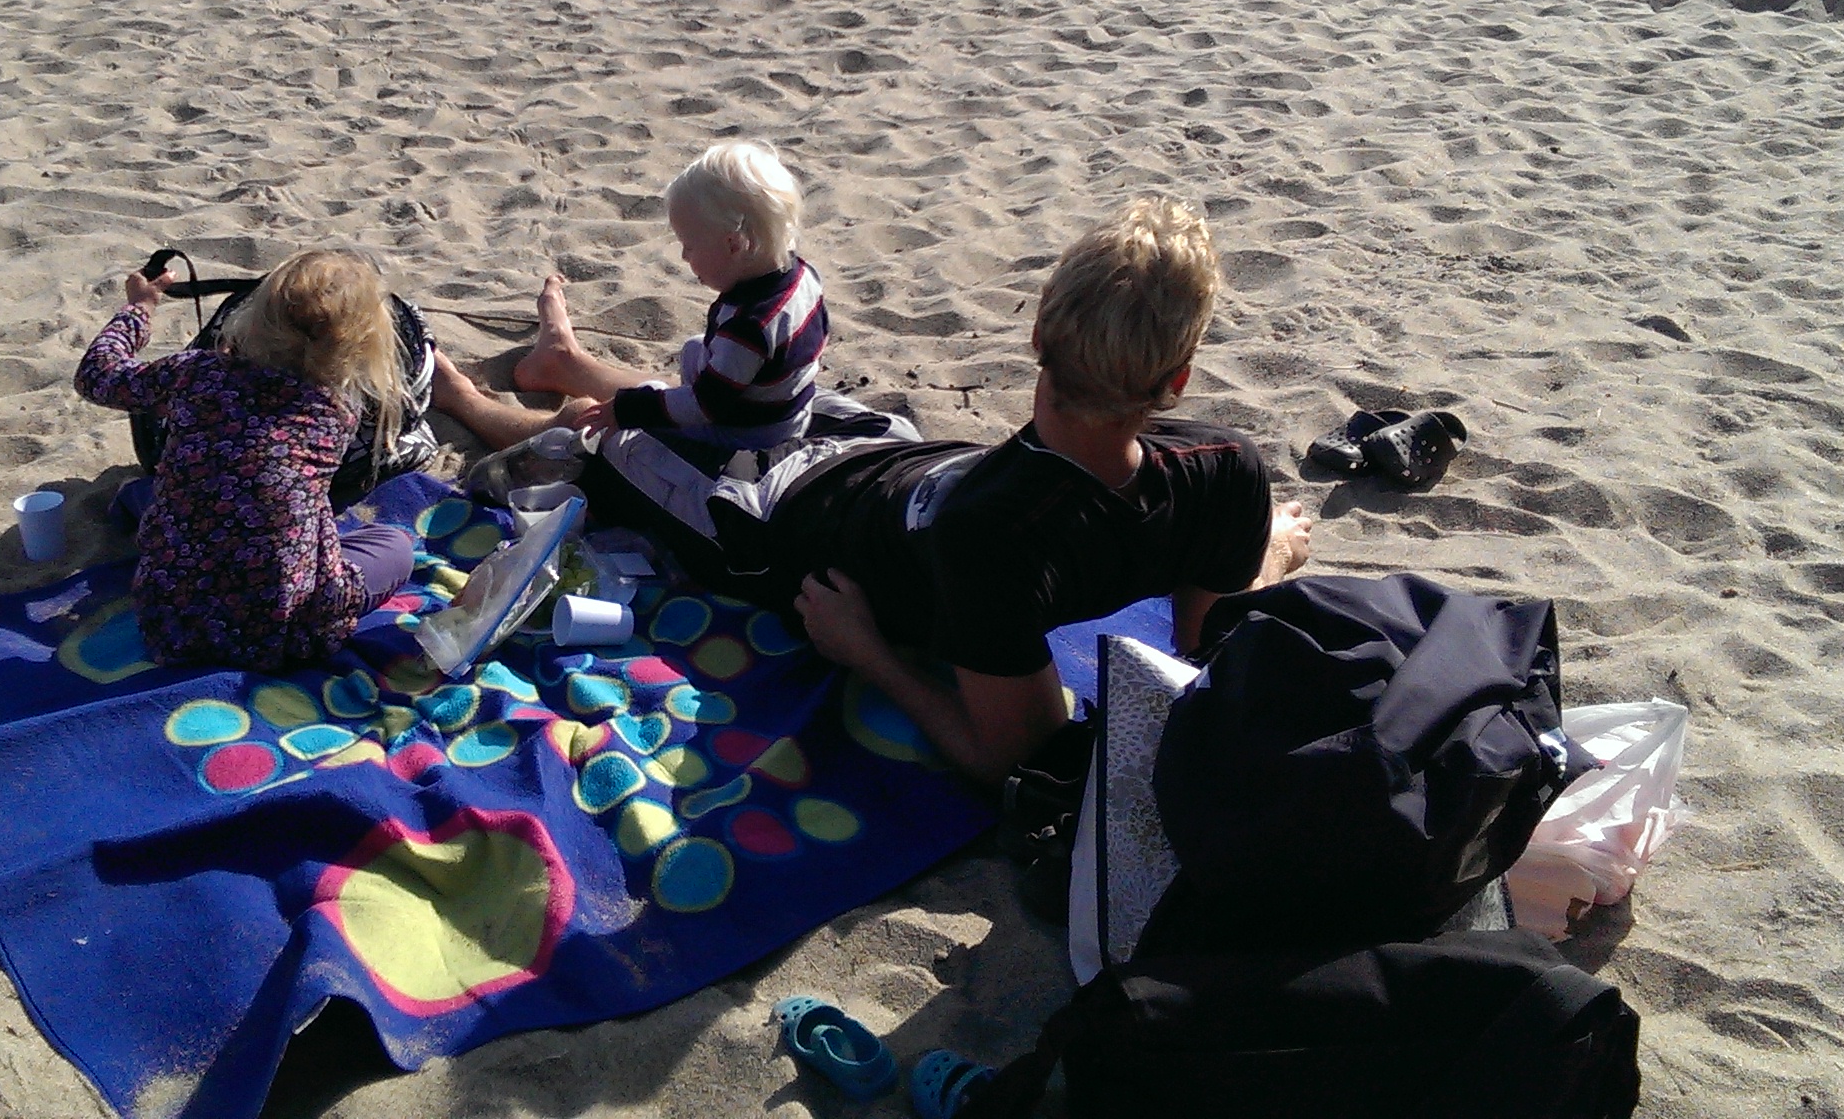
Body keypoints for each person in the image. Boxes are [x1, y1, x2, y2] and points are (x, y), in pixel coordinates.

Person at [434, 195, 1312, 784]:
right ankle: (566, 361)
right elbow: (1202, 647)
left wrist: (870, 655)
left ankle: (470, 401)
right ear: (1178, 379)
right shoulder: (1224, 468)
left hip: (776, 523)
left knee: (604, 444)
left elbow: (1015, 753)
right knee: (727, 410)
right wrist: (1264, 555)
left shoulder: (998, 536)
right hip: (879, 455)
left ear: (1039, 334)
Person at [75, 249, 420, 672]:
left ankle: (135, 500)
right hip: (279, 632)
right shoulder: (335, 413)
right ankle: (139, 500)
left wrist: (140, 307)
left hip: (168, 619)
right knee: (395, 547)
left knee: (195, 494)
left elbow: (96, 375)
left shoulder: (196, 373)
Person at [510, 141, 829, 472]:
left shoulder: (750, 327)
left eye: (689, 246)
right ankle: (561, 363)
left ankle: (482, 405)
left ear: (733, 244)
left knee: (628, 418)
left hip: (748, 436)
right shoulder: (803, 275)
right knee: (693, 350)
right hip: (785, 413)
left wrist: (627, 408)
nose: (683, 256)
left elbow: (705, 406)